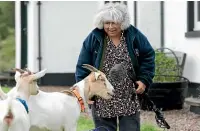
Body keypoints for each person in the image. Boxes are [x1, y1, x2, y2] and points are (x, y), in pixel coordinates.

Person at [75, 2, 155, 131]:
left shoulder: (134, 35)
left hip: (128, 95)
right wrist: (85, 93)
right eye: (107, 23)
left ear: (122, 23)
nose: (110, 27)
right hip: (102, 97)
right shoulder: (94, 37)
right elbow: (83, 65)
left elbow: (148, 57)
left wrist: (144, 79)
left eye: (114, 23)